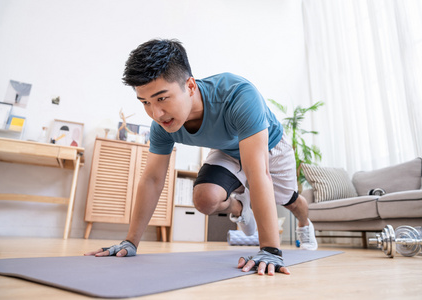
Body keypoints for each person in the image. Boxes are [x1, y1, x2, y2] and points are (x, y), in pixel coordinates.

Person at [85, 39, 318, 276]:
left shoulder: (238, 95)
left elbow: (258, 173)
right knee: (205, 199)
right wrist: (130, 242)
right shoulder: (162, 126)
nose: (156, 113)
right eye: (145, 102)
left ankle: (303, 221)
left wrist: (269, 250)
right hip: (227, 150)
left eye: (162, 98)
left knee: (289, 201)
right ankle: (242, 207)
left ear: (190, 86)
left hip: (270, 148)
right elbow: (152, 179)